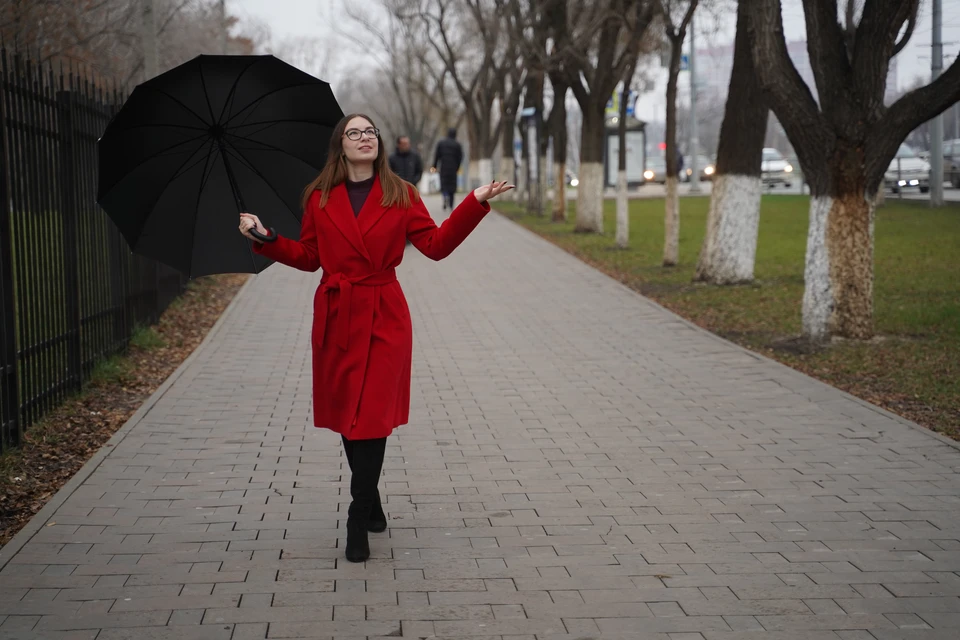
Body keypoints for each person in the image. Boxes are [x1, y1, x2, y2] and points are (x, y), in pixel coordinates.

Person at [238, 114, 513, 563]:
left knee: (372, 414)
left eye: (370, 132)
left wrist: (474, 203)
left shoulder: (401, 193)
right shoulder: (319, 196)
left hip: (384, 312)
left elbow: (436, 246)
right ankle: (374, 498)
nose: (365, 138)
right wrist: (267, 239)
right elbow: (310, 258)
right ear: (340, 146)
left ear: (379, 144)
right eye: (354, 133)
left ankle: (357, 511)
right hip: (337, 312)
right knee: (351, 413)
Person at [431, 127, 464, 210]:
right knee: (452, 186)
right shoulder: (457, 145)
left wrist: (434, 166)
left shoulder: (441, 143)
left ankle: (445, 196)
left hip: (444, 167)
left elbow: (437, 156)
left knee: (444, 184)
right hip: (453, 168)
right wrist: (457, 167)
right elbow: (460, 157)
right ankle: (451, 205)